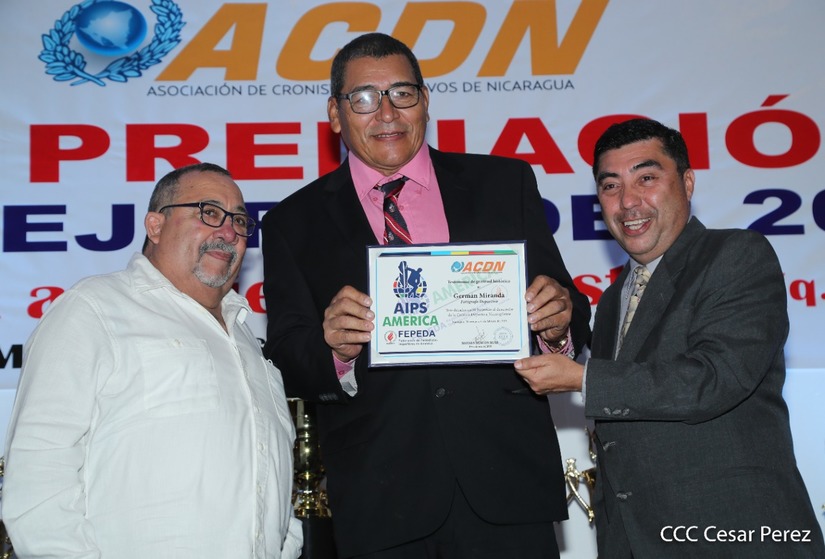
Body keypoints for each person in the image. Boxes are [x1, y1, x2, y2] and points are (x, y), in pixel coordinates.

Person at [260, 32, 590, 559]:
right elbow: (286, 355)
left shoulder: (503, 183)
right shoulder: (293, 222)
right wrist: (334, 350)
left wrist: (558, 324)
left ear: (426, 100)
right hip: (382, 496)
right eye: (364, 98)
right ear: (335, 114)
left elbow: (567, 301)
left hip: (506, 480)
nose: (387, 113)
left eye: (402, 93)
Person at [514, 118, 825, 558]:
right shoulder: (613, 298)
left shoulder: (736, 254)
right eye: (611, 186)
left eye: (646, 178)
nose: (628, 202)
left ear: (688, 182)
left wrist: (582, 379)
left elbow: (714, 378)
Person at [2, 163, 303, 558]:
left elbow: (273, 482)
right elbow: (39, 467)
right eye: (209, 212)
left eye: (239, 220)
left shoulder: (248, 340)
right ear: (155, 226)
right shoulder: (95, 308)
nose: (229, 232)